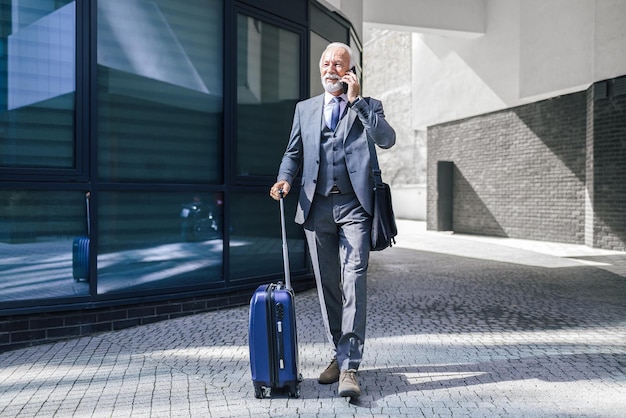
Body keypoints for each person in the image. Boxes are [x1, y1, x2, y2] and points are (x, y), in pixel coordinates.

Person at [269, 42, 396, 398]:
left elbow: (386, 140)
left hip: (356, 208)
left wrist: (356, 102)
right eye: (326, 63)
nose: (330, 69)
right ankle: (338, 356)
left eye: (338, 64)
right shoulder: (305, 109)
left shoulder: (368, 106)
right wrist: (285, 178)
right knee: (327, 287)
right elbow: (293, 153)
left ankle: (351, 366)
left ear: (350, 70)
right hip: (317, 208)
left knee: (353, 279)